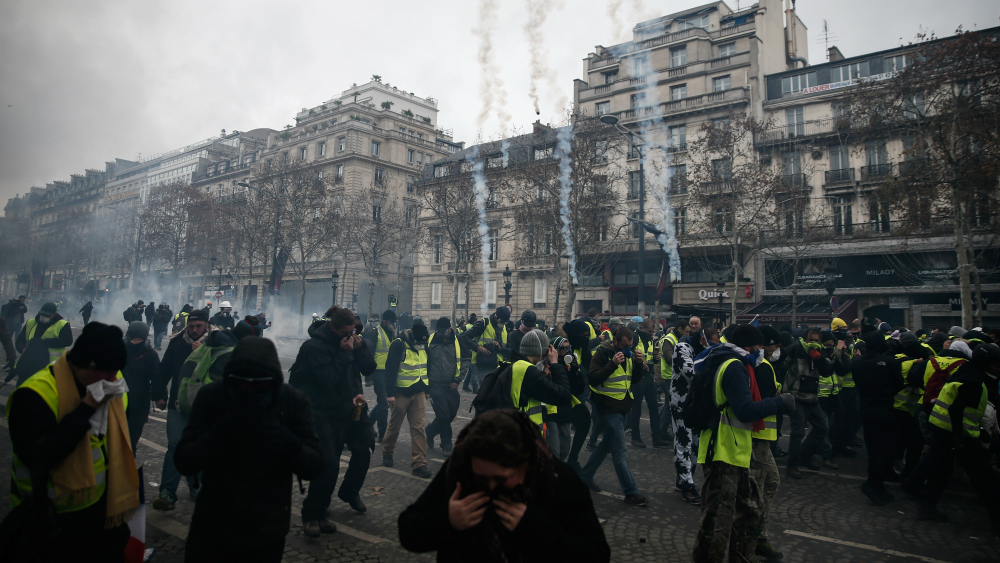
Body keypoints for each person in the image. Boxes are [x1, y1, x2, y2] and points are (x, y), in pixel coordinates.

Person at [175, 336, 324, 562]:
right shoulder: (213, 396)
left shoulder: (292, 402)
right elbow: (184, 461)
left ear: (273, 381)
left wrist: (288, 443)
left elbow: (314, 466)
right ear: (229, 379)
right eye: (241, 384)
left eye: (260, 385)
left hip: (267, 524)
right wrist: (220, 433)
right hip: (214, 520)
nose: (250, 391)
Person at [398, 410, 611, 563]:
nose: (490, 487)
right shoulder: (460, 467)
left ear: (525, 465)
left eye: (501, 479)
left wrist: (534, 527)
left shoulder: (558, 478)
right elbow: (408, 531)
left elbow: (596, 554)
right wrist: (446, 519)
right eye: (481, 478)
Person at [6, 322, 138, 562]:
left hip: (103, 509)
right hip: (49, 516)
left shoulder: (111, 376)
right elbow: (39, 457)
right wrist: (85, 409)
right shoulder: (35, 395)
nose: (113, 379)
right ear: (83, 365)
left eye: (116, 371)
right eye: (107, 372)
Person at [692, 325, 795, 563]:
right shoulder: (734, 366)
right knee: (717, 522)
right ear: (749, 345)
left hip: (734, 451)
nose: (762, 350)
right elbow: (745, 410)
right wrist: (780, 403)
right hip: (723, 453)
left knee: (750, 513)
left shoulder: (733, 362)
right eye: (760, 346)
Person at [290, 306, 376, 535]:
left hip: (349, 406)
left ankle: (348, 492)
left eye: (353, 332)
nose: (350, 336)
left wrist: (360, 348)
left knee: (365, 446)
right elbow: (327, 379)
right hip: (321, 410)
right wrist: (345, 353)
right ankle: (313, 514)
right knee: (328, 464)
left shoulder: (349, 341)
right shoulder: (315, 346)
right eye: (347, 332)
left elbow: (366, 369)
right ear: (334, 328)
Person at [902, 342, 1000, 532]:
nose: (998, 369)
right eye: (996, 365)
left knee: (940, 468)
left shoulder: (964, 370)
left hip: (943, 427)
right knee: (984, 477)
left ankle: (924, 500)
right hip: (959, 434)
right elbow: (957, 410)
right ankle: (996, 517)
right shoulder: (973, 380)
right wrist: (960, 438)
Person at [579, 326, 649, 506]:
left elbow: (633, 380)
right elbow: (592, 378)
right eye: (624, 346)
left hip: (623, 407)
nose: (628, 349)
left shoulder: (629, 354)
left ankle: (585, 476)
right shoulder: (602, 353)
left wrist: (639, 364)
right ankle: (631, 491)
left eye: (630, 345)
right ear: (615, 342)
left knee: (605, 445)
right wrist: (612, 364)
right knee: (620, 451)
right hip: (608, 408)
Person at [151, 309, 211, 511]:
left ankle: (197, 486)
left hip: (204, 408)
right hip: (178, 404)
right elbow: (165, 368)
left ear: (206, 325)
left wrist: (202, 352)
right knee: (175, 446)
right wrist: (159, 394)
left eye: (198, 326)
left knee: (200, 448)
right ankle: (167, 492)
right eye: (191, 326)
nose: (194, 330)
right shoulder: (178, 342)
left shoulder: (215, 344)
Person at [851, 332, 903, 506]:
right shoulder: (889, 362)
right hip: (884, 408)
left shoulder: (858, 363)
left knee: (873, 449)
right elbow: (899, 385)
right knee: (884, 449)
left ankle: (877, 485)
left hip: (866, 409)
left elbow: (857, 383)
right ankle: (874, 484)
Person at [383, 317, 434, 478]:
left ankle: (419, 463)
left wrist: (427, 389)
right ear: (412, 337)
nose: (421, 345)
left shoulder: (424, 345)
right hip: (400, 393)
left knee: (419, 428)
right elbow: (390, 370)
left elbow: (427, 368)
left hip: (419, 393)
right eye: (419, 342)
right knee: (394, 426)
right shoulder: (398, 344)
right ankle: (387, 451)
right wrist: (390, 394)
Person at [751, 326, 786, 561]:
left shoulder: (766, 365)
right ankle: (754, 538)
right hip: (758, 436)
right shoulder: (761, 367)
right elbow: (765, 397)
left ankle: (756, 535)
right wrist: (779, 399)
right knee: (758, 490)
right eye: (775, 345)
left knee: (771, 482)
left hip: (765, 436)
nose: (778, 350)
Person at [784, 328, 833, 479]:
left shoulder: (821, 352)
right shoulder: (796, 349)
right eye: (811, 340)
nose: (814, 343)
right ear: (805, 339)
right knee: (797, 433)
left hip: (813, 397)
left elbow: (828, 371)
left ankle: (804, 457)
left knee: (822, 428)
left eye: (817, 340)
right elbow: (782, 365)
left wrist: (819, 359)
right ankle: (792, 465)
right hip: (797, 396)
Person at [545, 336, 588, 461]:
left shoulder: (567, 366)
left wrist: (575, 372)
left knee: (564, 450)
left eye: (569, 348)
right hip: (552, 413)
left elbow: (578, 390)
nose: (568, 352)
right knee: (554, 452)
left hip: (565, 412)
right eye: (566, 348)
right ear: (556, 350)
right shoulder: (546, 366)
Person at [426, 317, 464, 455]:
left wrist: (457, 380)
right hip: (435, 385)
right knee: (443, 414)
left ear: (450, 330)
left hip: (451, 385)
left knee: (451, 413)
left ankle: (430, 431)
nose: (442, 334)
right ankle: (446, 443)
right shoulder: (430, 341)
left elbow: (464, 361)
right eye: (439, 331)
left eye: (445, 331)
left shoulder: (457, 341)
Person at [13, 301, 73, 387]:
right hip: (28, 364)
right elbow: (20, 341)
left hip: (49, 367)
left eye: (47, 315)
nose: (43, 317)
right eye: (42, 314)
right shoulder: (31, 323)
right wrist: (22, 349)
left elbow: (67, 341)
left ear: (54, 314)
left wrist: (45, 342)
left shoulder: (62, 325)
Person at [123, 321, 160, 453]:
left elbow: (157, 377)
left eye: (139, 339)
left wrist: (159, 396)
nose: (135, 342)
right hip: (118, 401)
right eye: (133, 338)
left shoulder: (150, 354)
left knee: (130, 444)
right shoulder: (118, 350)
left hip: (139, 403)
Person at [629, 319, 665, 448]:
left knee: (654, 408)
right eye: (649, 331)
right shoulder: (635, 337)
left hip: (649, 376)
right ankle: (635, 437)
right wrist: (637, 360)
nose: (651, 333)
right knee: (636, 409)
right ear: (642, 328)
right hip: (638, 377)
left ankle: (657, 438)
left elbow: (652, 359)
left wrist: (656, 359)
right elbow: (627, 352)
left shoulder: (651, 340)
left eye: (652, 331)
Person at [363, 309, 396, 443]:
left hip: (389, 373)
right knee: (383, 403)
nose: (393, 324)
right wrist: (368, 377)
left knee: (385, 403)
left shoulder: (393, 333)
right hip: (378, 372)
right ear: (385, 321)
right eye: (391, 322)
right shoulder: (374, 333)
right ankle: (383, 434)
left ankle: (367, 425)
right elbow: (368, 355)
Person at [460, 307, 510, 393]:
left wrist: (500, 348)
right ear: (495, 317)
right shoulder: (484, 323)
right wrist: (478, 347)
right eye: (501, 321)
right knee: (486, 391)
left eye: (505, 322)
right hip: (483, 364)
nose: (503, 324)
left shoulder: (505, 328)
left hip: (499, 365)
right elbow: (465, 336)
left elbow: (508, 347)